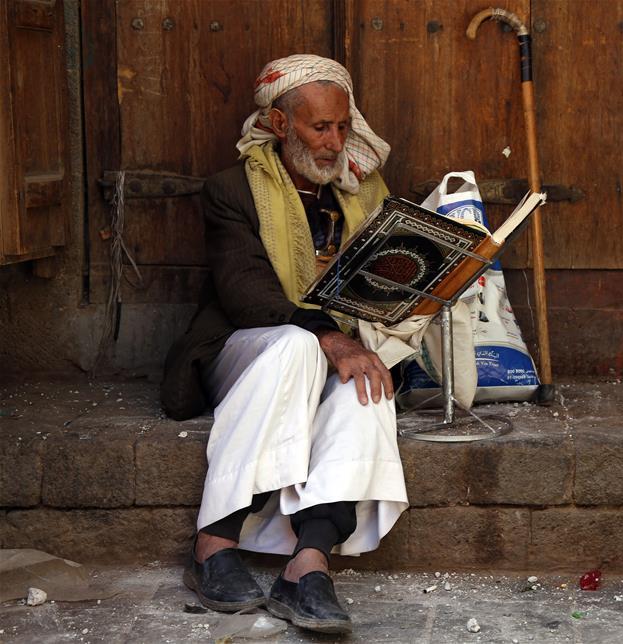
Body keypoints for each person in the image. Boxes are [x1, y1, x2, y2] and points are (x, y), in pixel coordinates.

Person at [160, 54, 408, 635]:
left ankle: (308, 563)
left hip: (329, 347)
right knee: (299, 347)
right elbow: (248, 296)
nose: (334, 142)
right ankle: (215, 540)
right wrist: (329, 337)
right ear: (278, 124)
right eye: (319, 127)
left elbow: (381, 285)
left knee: (365, 379)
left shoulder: (362, 192)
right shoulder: (230, 190)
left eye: (343, 127)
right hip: (244, 351)